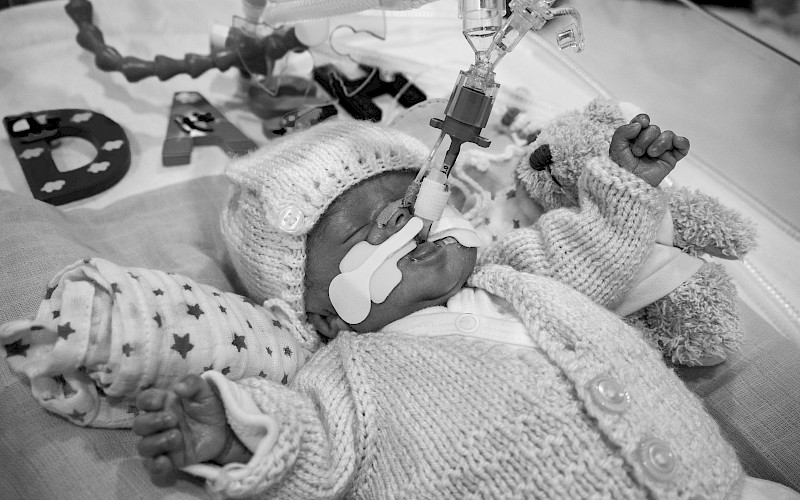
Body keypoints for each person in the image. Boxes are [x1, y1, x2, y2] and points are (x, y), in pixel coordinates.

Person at [131, 116, 751, 499]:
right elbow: (313, 452)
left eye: (415, 204)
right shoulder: (347, 378)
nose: (415, 225)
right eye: (371, 231)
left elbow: (592, 251)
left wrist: (621, 185)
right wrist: (236, 434)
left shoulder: (512, 271)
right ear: (318, 314)